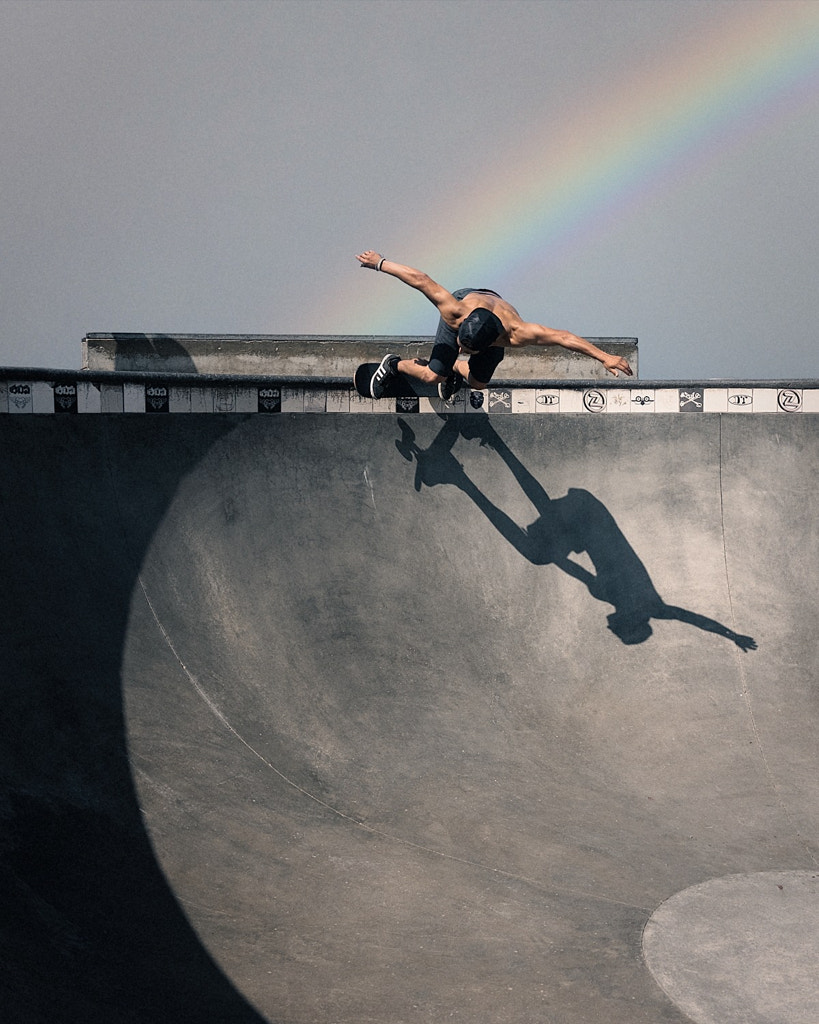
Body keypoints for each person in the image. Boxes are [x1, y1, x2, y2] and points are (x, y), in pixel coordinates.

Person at [355, 250, 633, 399]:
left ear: (491, 345)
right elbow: (421, 280)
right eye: (460, 346)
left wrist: (605, 358)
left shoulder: (517, 334)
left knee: (477, 385)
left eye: (465, 349)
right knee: (431, 377)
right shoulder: (454, 310)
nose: (460, 348)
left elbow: (563, 337)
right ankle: (393, 364)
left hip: (495, 319)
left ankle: (452, 368)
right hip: (472, 303)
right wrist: (380, 262)